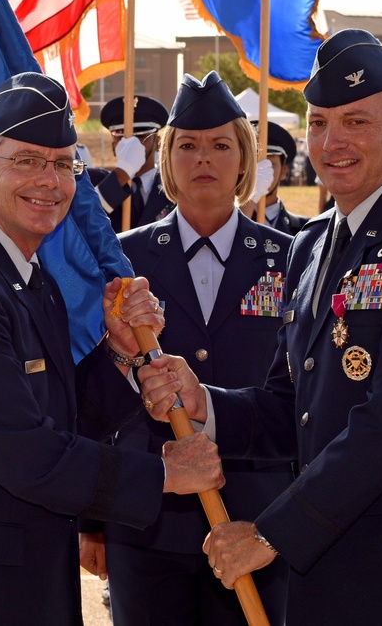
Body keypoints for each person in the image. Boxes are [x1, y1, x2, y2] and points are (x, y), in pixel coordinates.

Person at [138, 29, 382, 625]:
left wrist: (273, 532)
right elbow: (294, 406)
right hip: (324, 572)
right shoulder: (310, 245)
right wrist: (203, 401)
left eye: (356, 122)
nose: (332, 143)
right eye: (318, 123)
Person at [0, 72, 225, 625]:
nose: (51, 182)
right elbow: (27, 454)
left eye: (63, 164)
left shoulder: (26, 280)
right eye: (28, 161)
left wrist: (121, 355)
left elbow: (62, 417)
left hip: (23, 588)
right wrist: (162, 474)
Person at [79, 71, 294, 626]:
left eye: (222, 145)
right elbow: (90, 390)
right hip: (149, 521)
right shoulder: (122, 263)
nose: (205, 158)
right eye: (188, 146)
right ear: (167, 159)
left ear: (246, 161)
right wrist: (92, 520)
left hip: (258, 517)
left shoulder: (291, 259)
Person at [89, 94, 174, 230]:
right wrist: (124, 171)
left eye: (141, 137)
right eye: (122, 138)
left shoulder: (173, 185)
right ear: (113, 147)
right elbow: (85, 218)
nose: (132, 145)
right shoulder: (94, 182)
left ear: (158, 143)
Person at [250, 119, 309, 235]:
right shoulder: (222, 224)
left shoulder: (304, 229)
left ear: (284, 172)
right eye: (254, 163)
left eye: (270, 164)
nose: (261, 171)